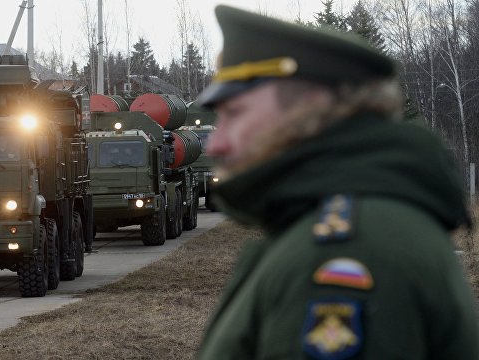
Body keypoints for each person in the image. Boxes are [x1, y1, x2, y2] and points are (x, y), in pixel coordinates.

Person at [196, 5, 478, 359]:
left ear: (310, 107)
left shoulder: (343, 250)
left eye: (234, 114)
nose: (216, 143)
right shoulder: (355, 219)